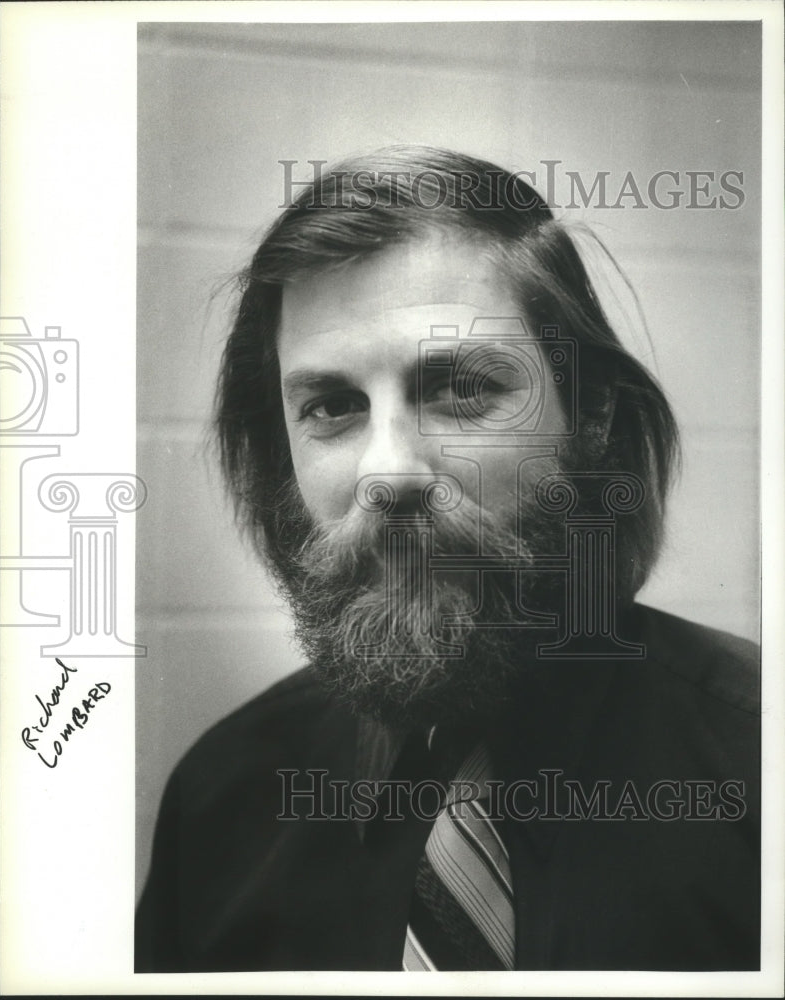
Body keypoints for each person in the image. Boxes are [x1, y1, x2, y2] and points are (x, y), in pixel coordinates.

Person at [135, 147, 759, 973]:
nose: (388, 473)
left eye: (461, 390)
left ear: (594, 414)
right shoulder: (223, 800)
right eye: (331, 407)